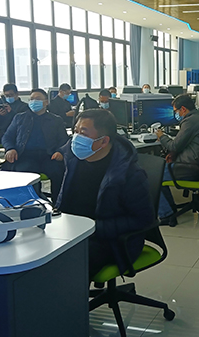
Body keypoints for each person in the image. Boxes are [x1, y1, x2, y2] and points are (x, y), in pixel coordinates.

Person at [56, 109, 154, 280]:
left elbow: (144, 219)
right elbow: (66, 198)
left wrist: (94, 227)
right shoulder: (74, 161)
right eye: (75, 131)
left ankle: (72, 297)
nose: (76, 138)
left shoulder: (129, 174)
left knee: (65, 269)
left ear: (103, 141)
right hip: (75, 231)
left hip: (112, 241)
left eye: (83, 133)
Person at [2, 88, 68, 200]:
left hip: (49, 156)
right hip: (25, 155)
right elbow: (7, 137)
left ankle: (57, 203)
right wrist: (10, 148)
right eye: (31, 99)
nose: (33, 102)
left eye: (37, 99)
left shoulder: (56, 120)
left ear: (46, 102)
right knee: (27, 173)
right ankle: (34, 203)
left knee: (58, 172)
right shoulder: (19, 118)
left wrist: (60, 151)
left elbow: (64, 140)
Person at [156, 94, 199, 226]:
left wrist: (161, 136)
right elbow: (185, 145)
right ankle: (170, 209)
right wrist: (173, 154)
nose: (176, 114)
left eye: (176, 111)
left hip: (189, 167)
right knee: (159, 172)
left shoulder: (190, 121)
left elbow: (174, 145)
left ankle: (166, 215)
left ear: (183, 109)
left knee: (152, 176)